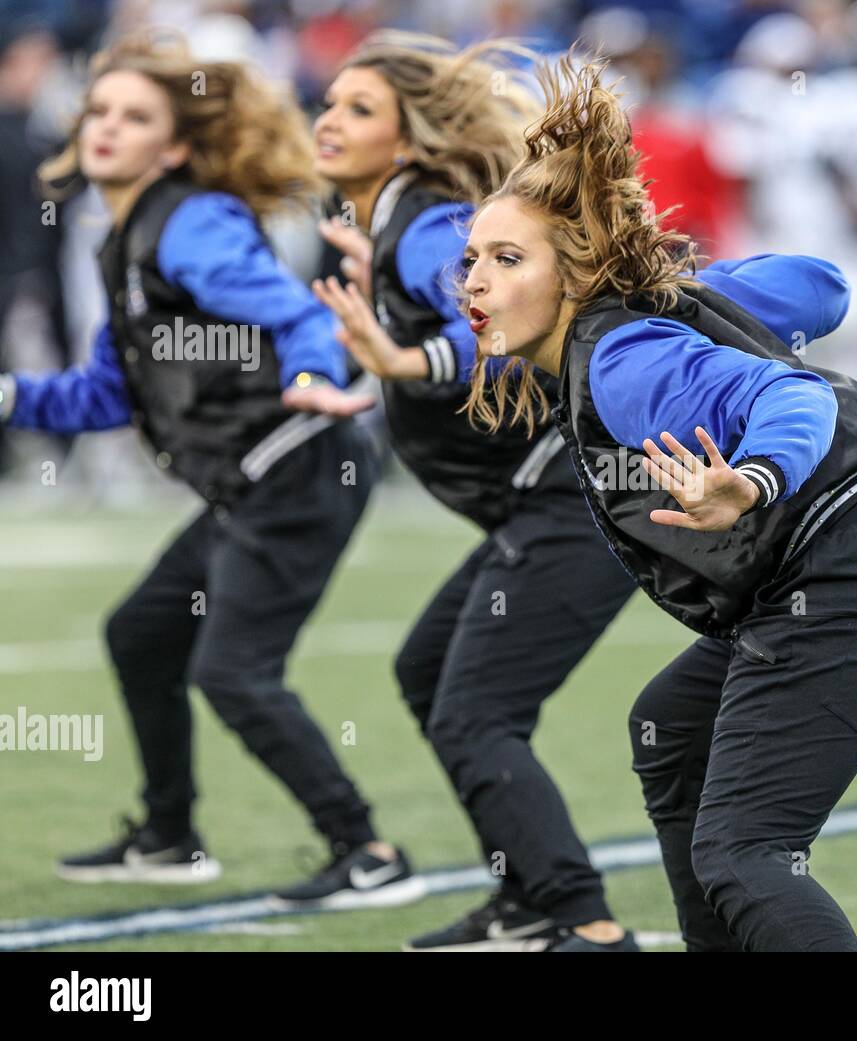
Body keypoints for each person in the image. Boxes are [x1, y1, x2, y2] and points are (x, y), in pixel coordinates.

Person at [460, 55, 857, 951]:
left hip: (856, 559)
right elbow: (825, 286)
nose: (475, 281)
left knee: (747, 850)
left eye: (507, 259)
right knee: (668, 731)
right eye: (471, 259)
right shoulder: (650, 316)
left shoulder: (620, 360)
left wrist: (751, 478)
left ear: (576, 271)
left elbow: (796, 396)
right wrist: (676, 281)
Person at [0, 31, 421, 908]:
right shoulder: (122, 240)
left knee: (232, 672)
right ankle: (169, 836)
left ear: (178, 145)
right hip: (251, 485)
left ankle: (367, 848)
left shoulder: (192, 223)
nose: (108, 127)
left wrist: (314, 371)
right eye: (101, 111)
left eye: (136, 116)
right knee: (140, 633)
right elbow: (103, 399)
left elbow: (296, 315)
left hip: (297, 471)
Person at [310, 33, 639, 951]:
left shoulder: (424, 226)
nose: (331, 118)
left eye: (360, 108)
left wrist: (405, 358)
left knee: (476, 711)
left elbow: (483, 315)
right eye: (330, 101)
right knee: (427, 674)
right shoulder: (394, 224)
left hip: (577, 500)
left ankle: (587, 921)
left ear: (408, 140)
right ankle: (527, 895)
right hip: (541, 505)